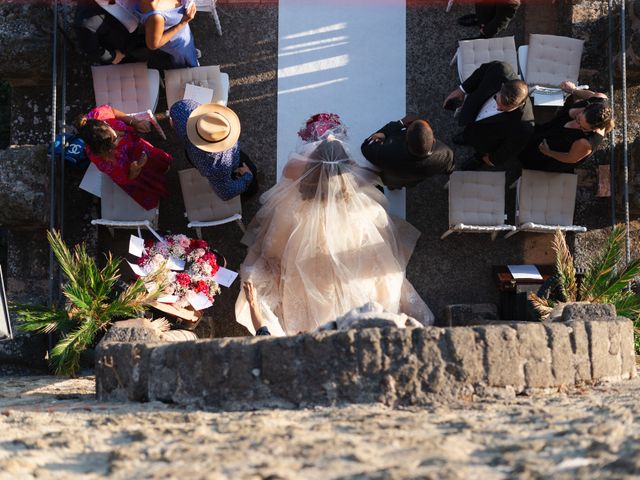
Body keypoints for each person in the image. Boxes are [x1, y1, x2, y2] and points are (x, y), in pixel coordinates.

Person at [235, 119, 434, 337]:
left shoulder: (298, 172)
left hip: (305, 220)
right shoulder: (348, 175)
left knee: (293, 256)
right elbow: (368, 176)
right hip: (345, 220)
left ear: (313, 162)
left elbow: (288, 175)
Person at [443, 61, 534, 170]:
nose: (497, 108)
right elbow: (481, 73)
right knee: (469, 131)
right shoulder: (499, 69)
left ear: (520, 104)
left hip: (487, 141)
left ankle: (478, 159)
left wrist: (492, 159)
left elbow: (510, 148)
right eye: (496, 99)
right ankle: (466, 136)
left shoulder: (525, 125)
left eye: (503, 109)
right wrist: (462, 90)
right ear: (502, 86)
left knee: (481, 151)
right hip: (474, 114)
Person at [78, 105, 173, 210]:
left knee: (158, 160)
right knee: (154, 179)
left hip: (140, 147)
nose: (119, 135)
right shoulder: (107, 163)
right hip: (136, 169)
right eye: (114, 141)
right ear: (105, 150)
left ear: (105, 123)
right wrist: (135, 169)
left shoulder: (99, 116)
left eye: (114, 134)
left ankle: (163, 166)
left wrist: (134, 122)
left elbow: (113, 111)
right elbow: (127, 179)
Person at [170, 100, 258, 200]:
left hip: (192, 152)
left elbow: (175, 109)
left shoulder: (184, 108)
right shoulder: (218, 167)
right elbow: (226, 193)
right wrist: (247, 176)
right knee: (252, 180)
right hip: (233, 167)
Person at [519, 82, 613, 173]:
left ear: (594, 129)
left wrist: (548, 152)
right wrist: (573, 90)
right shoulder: (599, 99)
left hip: (555, 151)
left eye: (584, 128)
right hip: (553, 127)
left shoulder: (586, 142)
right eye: (578, 119)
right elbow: (589, 95)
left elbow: (570, 158)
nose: (578, 125)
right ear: (587, 107)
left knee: (528, 156)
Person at [360, 114, 454, 189]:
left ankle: (393, 188)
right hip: (412, 181)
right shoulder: (445, 154)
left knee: (392, 184)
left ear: (406, 140)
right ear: (433, 140)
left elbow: (365, 147)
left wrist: (400, 123)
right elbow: (450, 169)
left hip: (391, 179)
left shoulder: (386, 152)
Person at [74, 0, 150, 65]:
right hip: (127, 45)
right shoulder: (86, 21)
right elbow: (90, 48)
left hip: (147, 22)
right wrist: (113, 56)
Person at [135, 0, 198, 69]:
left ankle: (193, 53)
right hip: (177, 45)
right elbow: (153, 45)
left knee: (190, 49)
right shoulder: (156, 16)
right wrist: (184, 22)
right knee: (186, 62)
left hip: (183, 34)